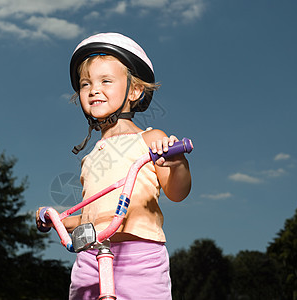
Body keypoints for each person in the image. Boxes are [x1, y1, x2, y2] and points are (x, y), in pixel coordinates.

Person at [37, 32, 191, 299]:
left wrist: (176, 163)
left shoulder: (152, 140)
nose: (94, 89)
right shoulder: (92, 156)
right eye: (86, 84)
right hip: (90, 257)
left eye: (106, 81)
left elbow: (177, 193)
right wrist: (56, 219)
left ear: (134, 90)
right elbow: (94, 215)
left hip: (139, 258)